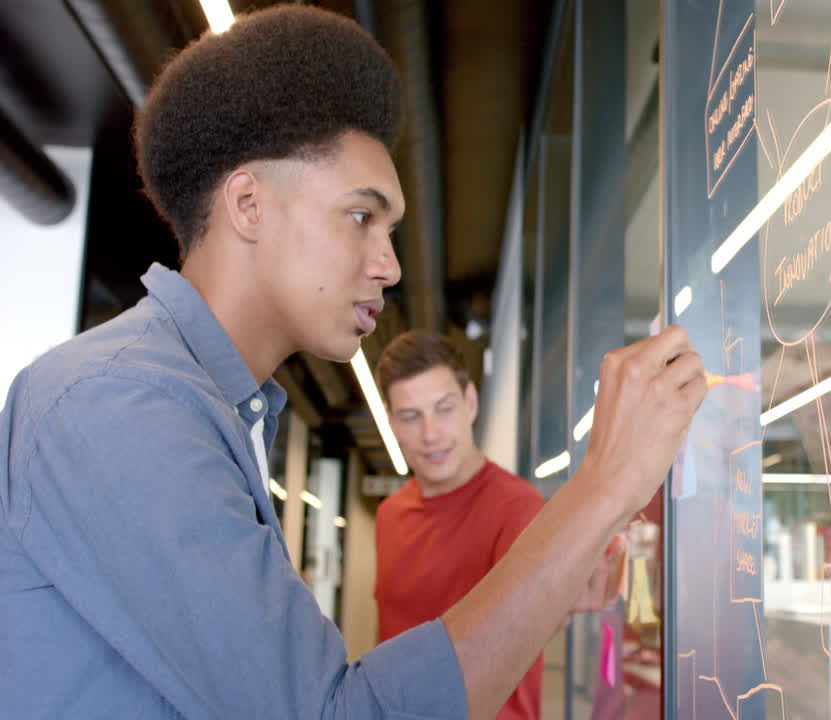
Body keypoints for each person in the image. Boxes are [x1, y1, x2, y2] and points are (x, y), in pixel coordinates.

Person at [0, 6, 707, 720]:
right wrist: (606, 482)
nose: (391, 265)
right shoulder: (121, 402)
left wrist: (550, 589)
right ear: (248, 205)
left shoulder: (213, 408)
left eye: (393, 229)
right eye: (361, 216)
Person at [373, 330, 588, 720]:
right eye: (410, 417)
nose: (431, 434)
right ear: (391, 423)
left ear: (470, 402)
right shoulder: (389, 515)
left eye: (444, 408)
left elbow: (526, 633)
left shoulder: (517, 508)